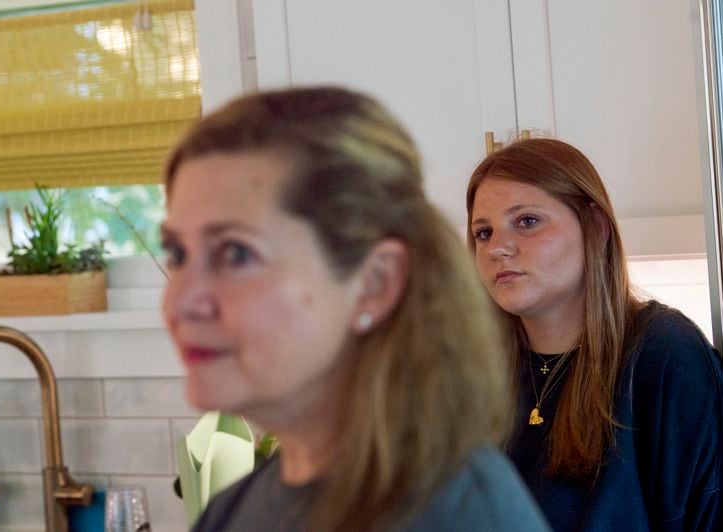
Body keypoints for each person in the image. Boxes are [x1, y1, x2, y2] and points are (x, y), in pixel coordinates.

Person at [161, 87, 550, 531]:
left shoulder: (457, 511)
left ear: (374, 284)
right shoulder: (229, 512)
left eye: (236, 254)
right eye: (177, 254)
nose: (180, 302)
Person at [466, 137, 723, 531]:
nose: (498, 248)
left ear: (595, 226)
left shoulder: (664, 356)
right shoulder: (473, 377)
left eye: (526, 221)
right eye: (483, 233)